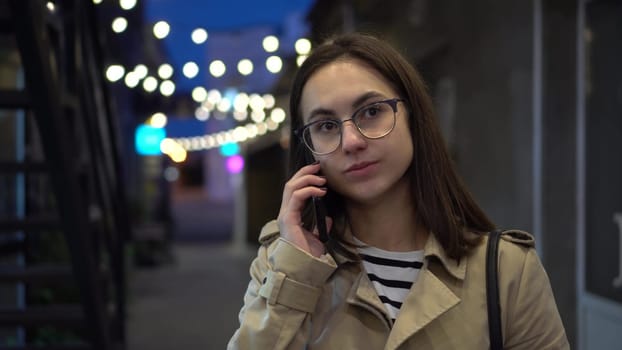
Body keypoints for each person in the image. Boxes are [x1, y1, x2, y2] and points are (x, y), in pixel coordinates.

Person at [227, 33, 569, 349]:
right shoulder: (284, 261)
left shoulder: (506, 269)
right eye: (327, 126)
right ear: (309, 147)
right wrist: (297, 270)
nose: (352, 141)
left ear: (413, 115)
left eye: (372, 112)